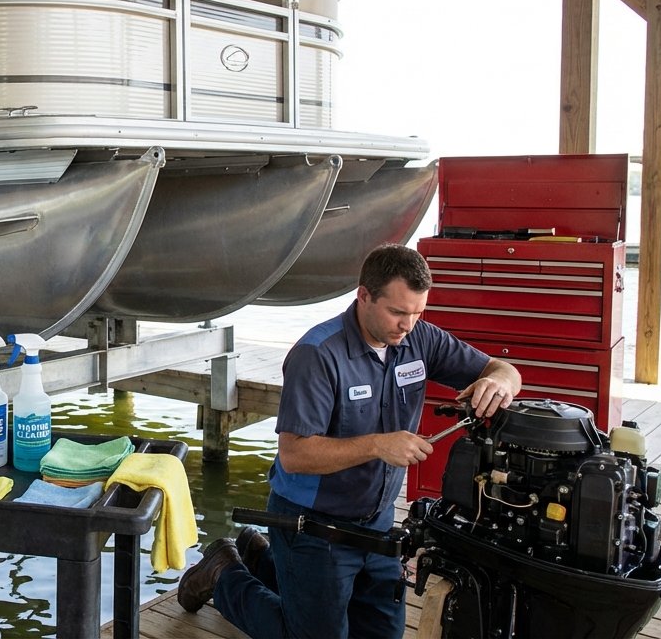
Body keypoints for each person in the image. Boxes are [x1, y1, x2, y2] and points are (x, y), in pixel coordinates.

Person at [178, 242, 522, 638]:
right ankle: (224, 572)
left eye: (417, 312)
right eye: (397, 312)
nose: (407, 324)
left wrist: (498, 382)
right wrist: (378, 445)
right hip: (311, 525)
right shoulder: (317, 355)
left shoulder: (418, 338)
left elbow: (503, 368)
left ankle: (260, 556)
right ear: (364, 296)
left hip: (376, 524)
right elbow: (294, 455)